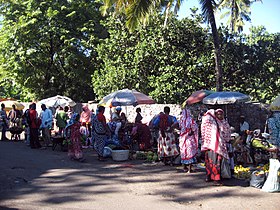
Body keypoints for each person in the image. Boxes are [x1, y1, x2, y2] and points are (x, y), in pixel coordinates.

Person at [201, 109, 231, 185]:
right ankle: (216, 180)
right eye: (218, 114)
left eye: (221, 114)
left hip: (210, 146)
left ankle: (209, 177)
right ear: (216, 115)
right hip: (216, 147)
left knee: (210, 162)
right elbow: (226, 135)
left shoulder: (212, 122)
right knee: (215, 162)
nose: (220, 116)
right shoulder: (216, 123)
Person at [178, 108, 199, 173]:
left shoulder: (181, 120)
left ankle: (184, 167)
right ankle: (190, 169)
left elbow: (178, 127)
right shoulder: (191, 120)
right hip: (189, 139)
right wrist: (191, 132)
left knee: (183, 152)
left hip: (182, 138)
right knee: (190, 152)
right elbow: (195, 128)